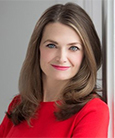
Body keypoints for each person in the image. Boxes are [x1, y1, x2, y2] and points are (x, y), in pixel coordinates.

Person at [0, 2, 109, 138]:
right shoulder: (19, 105)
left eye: (73, 48)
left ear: (86, 54)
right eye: (51, 45)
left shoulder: (92, 111)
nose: (61, 58)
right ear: (38, 49)